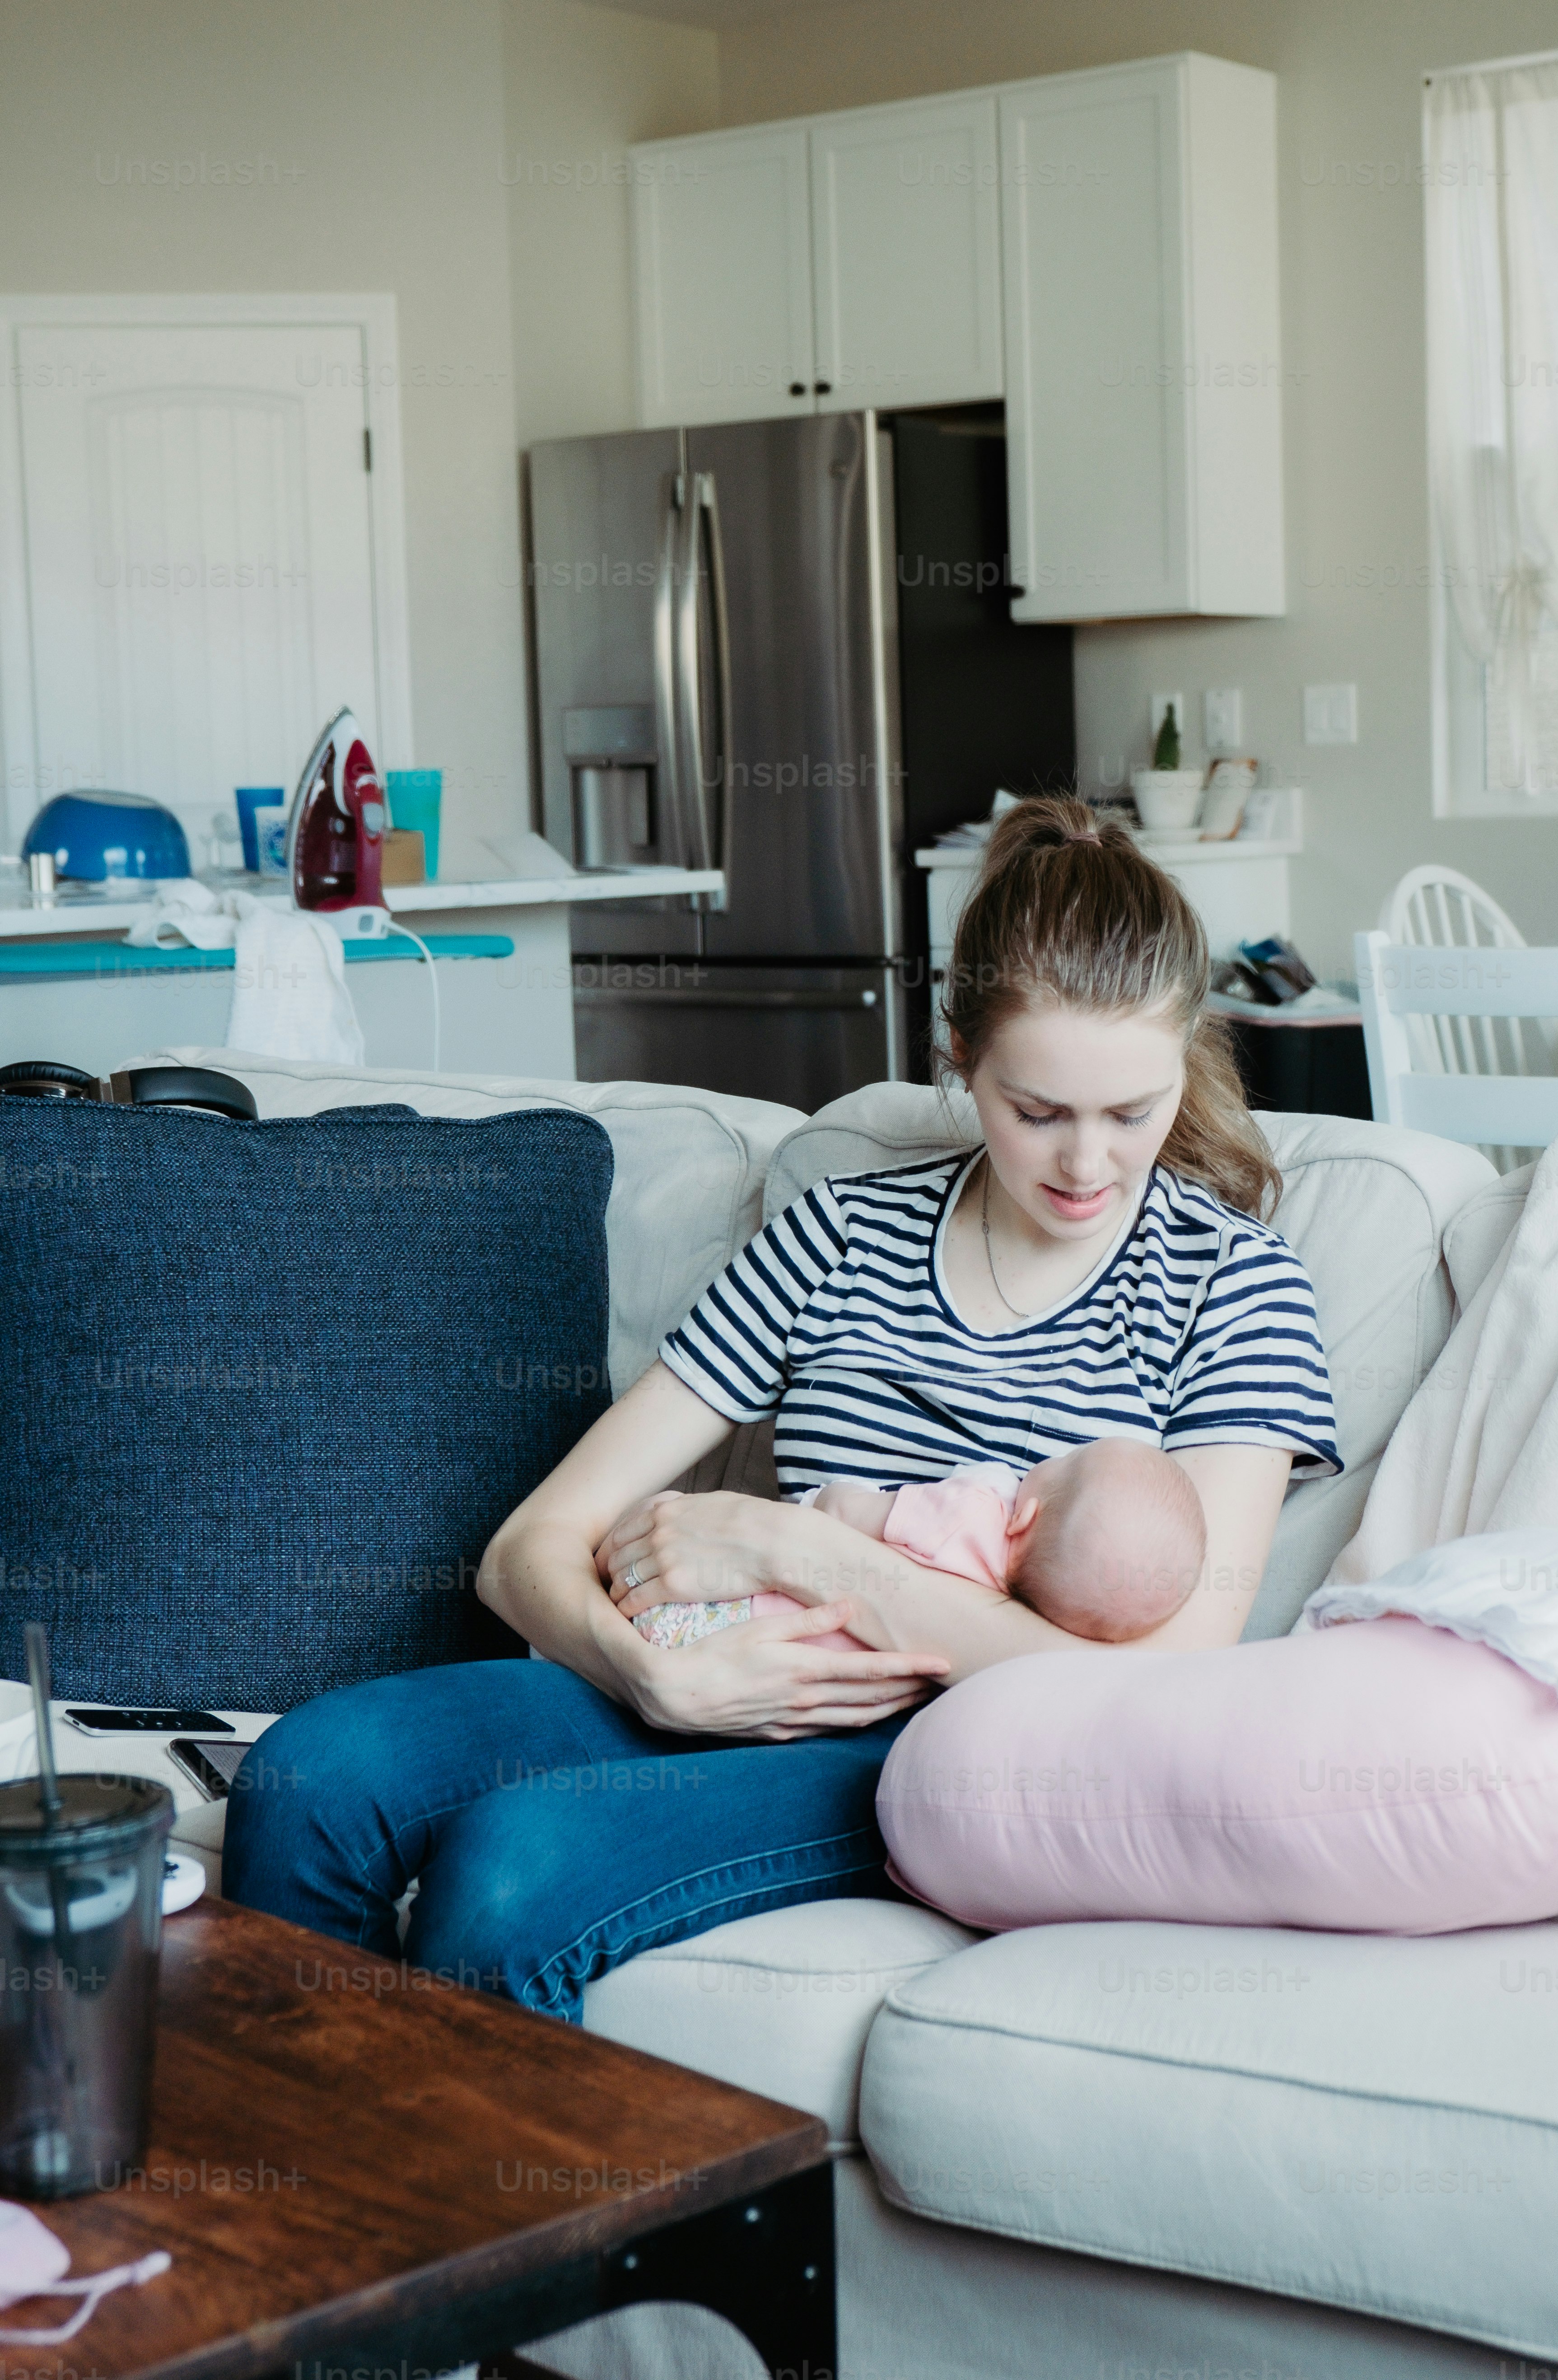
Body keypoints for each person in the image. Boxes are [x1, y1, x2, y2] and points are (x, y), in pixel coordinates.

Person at [223, 796, 1339, 2016]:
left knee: (512, 1870)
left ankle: (460, 2205)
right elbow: (522, 1550)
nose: (1086, 1164)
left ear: (1186, 1058)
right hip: (709, 1671)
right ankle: (286, 2197)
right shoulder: (838, 1235)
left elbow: (1166, 1678)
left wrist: (791, 1544)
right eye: (1036, 1111)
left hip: (932, 1758)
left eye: (1131, 1110)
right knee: (306, 1774)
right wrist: (648, 1674)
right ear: (957, 1056)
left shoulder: (1229, 1285)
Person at [633, 1441, 1209, 1650]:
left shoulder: (973, 1511)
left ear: (1026, 1515)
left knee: (657, 1518)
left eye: (1064, 1461)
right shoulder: (1011, 1619)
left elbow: (848, 1511)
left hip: (734, 1611)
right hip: (789, 1662)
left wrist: (818, 1508)